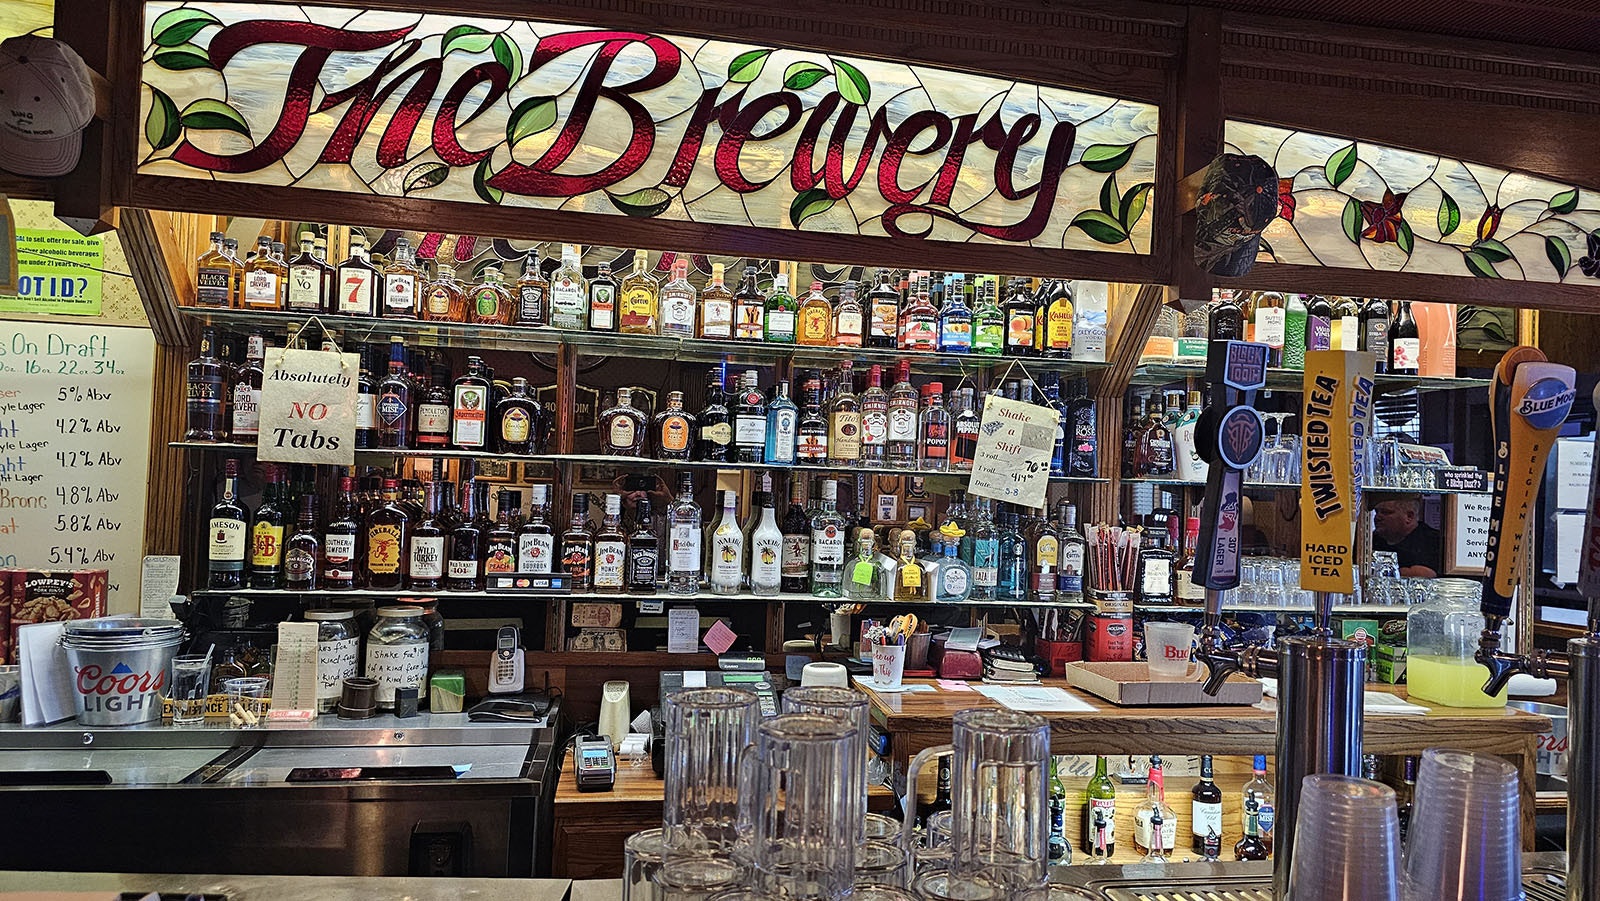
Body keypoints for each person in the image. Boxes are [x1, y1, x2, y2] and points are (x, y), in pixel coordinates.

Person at [1371, 495, 1442, 578]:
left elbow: (1423, 575)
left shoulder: (1431, 541)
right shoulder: (1372, 540)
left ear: (1409, 517)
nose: (1377, 517)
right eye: (1377, 512)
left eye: (1386, 512)